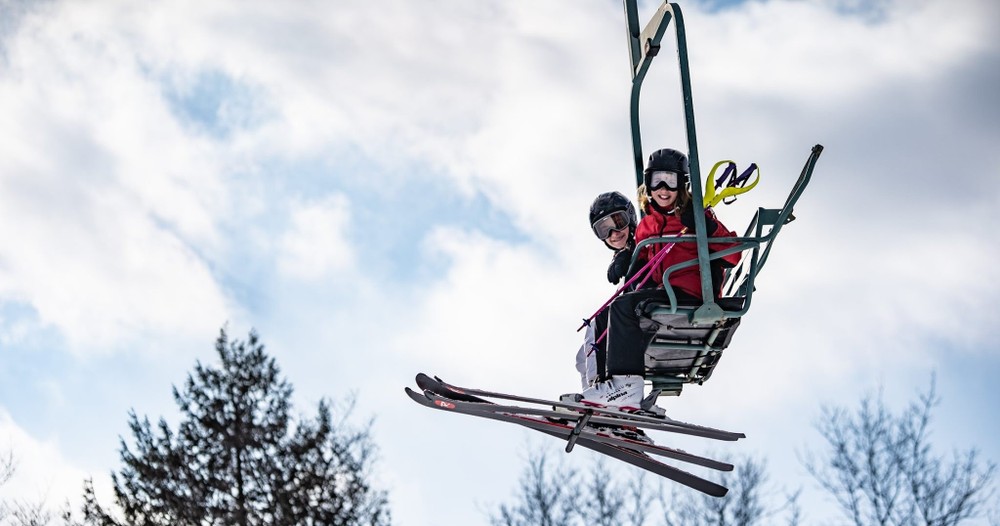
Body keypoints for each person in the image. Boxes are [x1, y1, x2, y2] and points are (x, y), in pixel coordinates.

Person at [573, 148, 741, 412]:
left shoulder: (697, 216)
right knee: (606, 316)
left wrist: (705, 226)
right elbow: (645, 270)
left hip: (692, 293)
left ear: (682, 183)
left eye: (670, 181)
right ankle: (607, 389)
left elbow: (733, 256)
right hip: (665, 290)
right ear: (647, 184)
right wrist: (628, 258)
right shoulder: (647, 226)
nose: (663, 188)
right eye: (656, 181)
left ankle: (627, 387)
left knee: (622, 308)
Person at [575, 191, 639, 389]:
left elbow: (650, 261)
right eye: (604, 229)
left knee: (598, 324)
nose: (614, 232)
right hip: (634, 312)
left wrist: (628, 254)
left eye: (618, 221)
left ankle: (603, 389)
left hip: (644, 309)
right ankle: (594, 396)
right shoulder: (626, 253)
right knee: (582, 356)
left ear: (630, 218)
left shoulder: (644, 242)